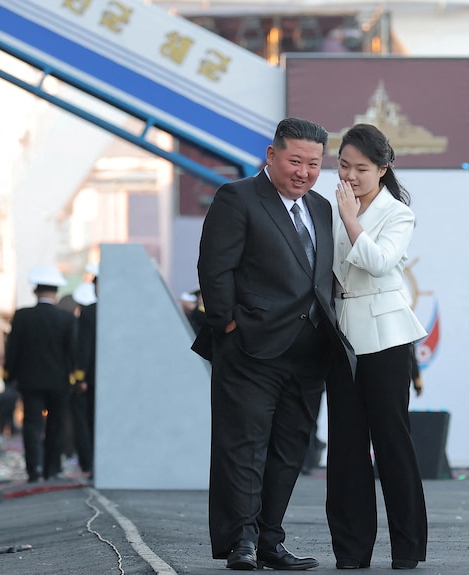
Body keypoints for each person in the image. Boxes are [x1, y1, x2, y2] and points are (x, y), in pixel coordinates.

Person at [191, 117, 355, 571]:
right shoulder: (237, 197)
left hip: (309, 353)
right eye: (295, 161)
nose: (303, 172)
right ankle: (240, 541)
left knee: (289, 451)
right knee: (242, 447)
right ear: (271, 155)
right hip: (250, 348)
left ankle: (270, 540)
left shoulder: (322, 208)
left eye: (314, 164)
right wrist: (226, 324)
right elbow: (215, 268)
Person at [325, 123, 427, 570]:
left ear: (383, 170)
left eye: (361, 168)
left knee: (391, 442)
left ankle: (407, 548)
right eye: (343, 165)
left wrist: (350, 219)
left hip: (385, 337)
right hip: (341, 333)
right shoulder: (329, 206)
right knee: (346, 445)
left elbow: (381, 263)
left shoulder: (397, 213)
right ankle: (351, 551)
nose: (349, 176)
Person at [3, 265, 74, 483]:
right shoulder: (67, 319)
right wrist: (74, 377)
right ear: (56, 293)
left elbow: (12, 349)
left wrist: (9, 375)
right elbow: (72, 352)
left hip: (30, 381)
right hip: (59, 382)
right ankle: (52, 469)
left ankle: (34, 470)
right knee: (56, 425)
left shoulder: (22, 316)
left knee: (32, 426)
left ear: (35, 292)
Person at [71, 265, 99, 477]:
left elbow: (85, 348)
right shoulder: (126, 311)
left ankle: (90, 463)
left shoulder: (90, 313)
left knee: (88, 421)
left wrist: (80, 377)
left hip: (93, 379)